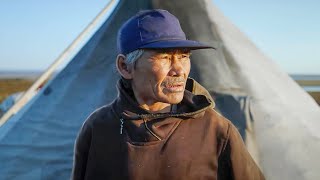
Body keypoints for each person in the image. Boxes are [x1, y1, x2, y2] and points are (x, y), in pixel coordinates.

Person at [71, 9, 265, 180]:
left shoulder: (216, 131)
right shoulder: (98, 128)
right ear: (125, 67)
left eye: (183, 56)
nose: (179, 70)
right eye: (165, 57)